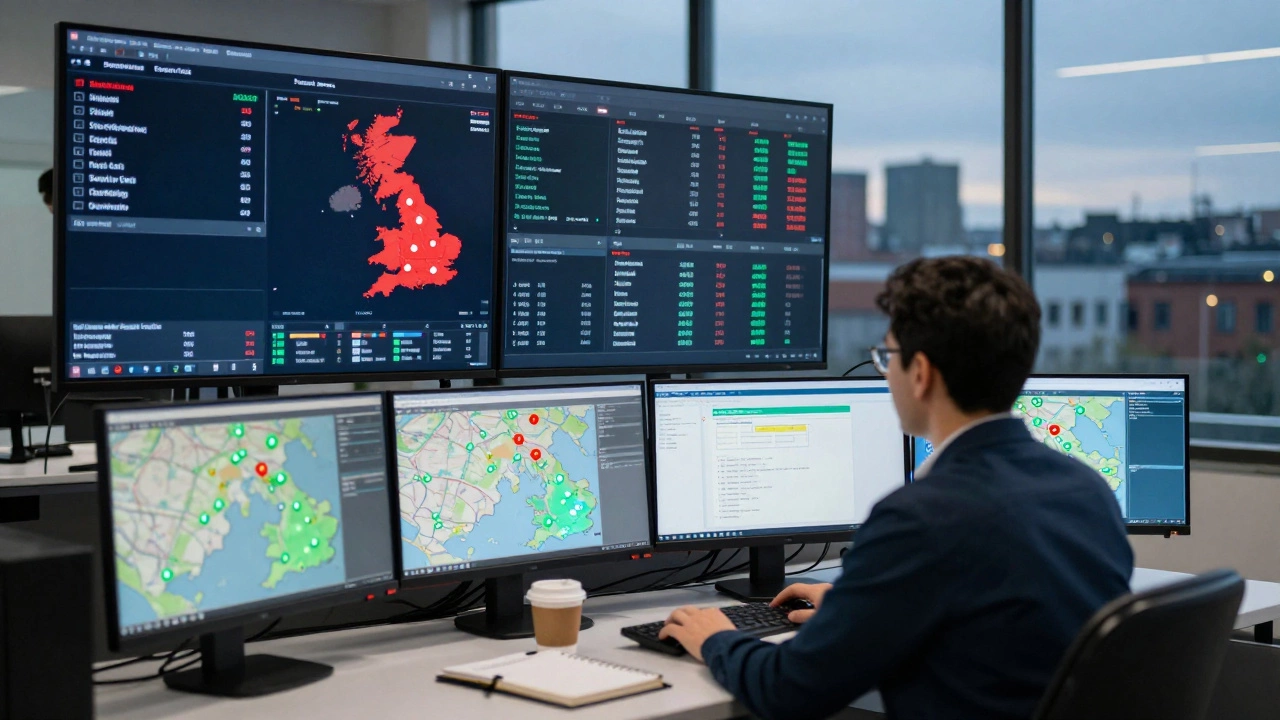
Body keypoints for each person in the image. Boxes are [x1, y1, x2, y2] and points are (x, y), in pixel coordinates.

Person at [659, 256, 1134, 720]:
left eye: (889, 357)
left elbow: (788, 692)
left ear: (921, 373)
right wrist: (860, 610)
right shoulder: (1087, 489)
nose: (887, 374)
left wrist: (715, 637)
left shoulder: (919, 518)